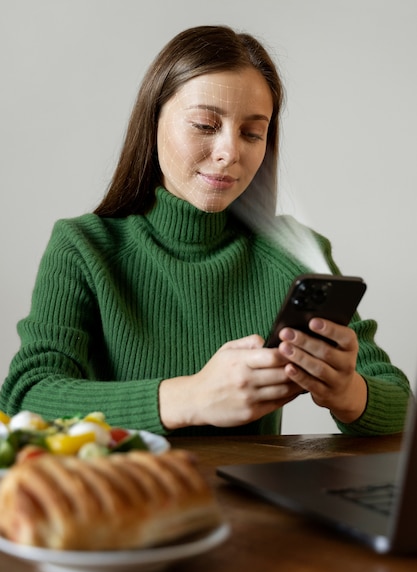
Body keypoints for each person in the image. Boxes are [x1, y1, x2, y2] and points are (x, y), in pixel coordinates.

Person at [0, 25, 411, 436]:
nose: (230, 152)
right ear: (153, 120)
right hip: (127, 494)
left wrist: (349, 393)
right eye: (203, 125)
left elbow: (400, 404)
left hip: (250, 500)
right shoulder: (84, 248)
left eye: (253, 133)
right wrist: (191, 397)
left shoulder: (291, 254)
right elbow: (26, 395)